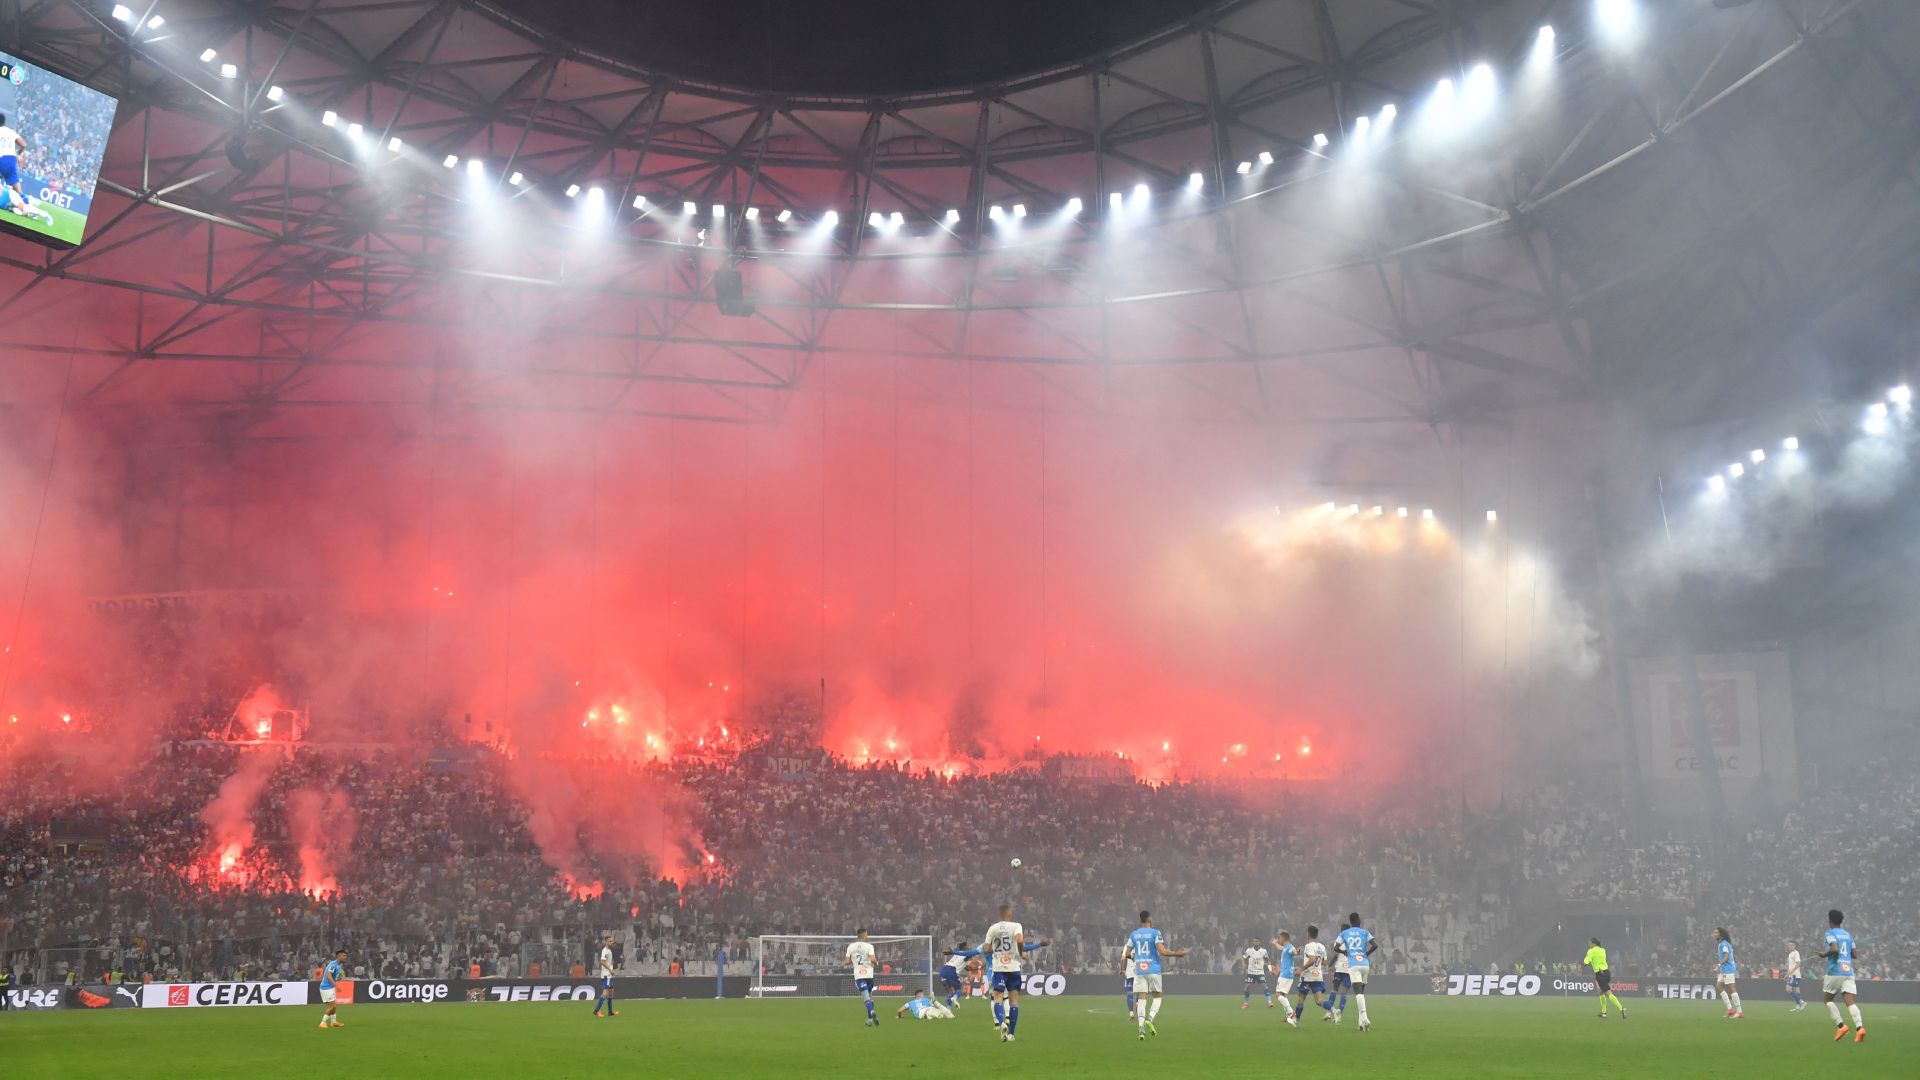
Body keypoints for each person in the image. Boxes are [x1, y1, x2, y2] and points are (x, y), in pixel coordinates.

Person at [1124, 909, 1189, 1040]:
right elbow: (1163, 952)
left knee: (1141, 999)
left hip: (1140, 970)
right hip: (1153, 969)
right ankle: (1150, 1018)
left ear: (1140, 920)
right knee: (1157, 997)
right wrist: (1178, 954)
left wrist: (1136, 958)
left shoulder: (1134, 934)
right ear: (1150, 920)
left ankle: (1141, 1029)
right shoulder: (1155, 933)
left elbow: (1127, 954)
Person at [980, 904, 1031, 1042]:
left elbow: (986, 949)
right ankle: (1011, 1034)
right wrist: (1021, 953)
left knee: (998, 998)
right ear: (1010, 913)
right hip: (1013, 968)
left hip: (999, 969)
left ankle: (1001, 1022)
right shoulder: (1016, 926)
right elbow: (1020, 940)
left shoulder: (993, 928)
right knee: (1014, 1002)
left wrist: (997, 950)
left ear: (1000, 914)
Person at [1819, 909, 1865, 1043]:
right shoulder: (1848, 935)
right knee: (1850, 1002)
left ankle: (1842, 1026)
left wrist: (1824, 955)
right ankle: (1860, 1028)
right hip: (1848, 971)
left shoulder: (1830, 933)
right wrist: (1845, 956)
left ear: (1830, 921)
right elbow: (1854, 954)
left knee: (1828, 1000)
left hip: (1835, 971)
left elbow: (1834, 949)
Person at [1334, 912, 1378, 1031]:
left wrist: (1345, 952)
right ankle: (1361, 1023)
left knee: (1358, 993)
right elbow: (1375, 945)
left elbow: (1335, 947)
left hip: (1353, 965)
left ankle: (1365, 1018)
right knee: (1361, 994)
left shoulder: (1344, 933)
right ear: (1358, 920)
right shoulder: (1365, 932)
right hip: (1364, 964)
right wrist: (1366, 954)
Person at [1583, 937, 1626, 1019]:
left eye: (1590, 943)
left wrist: (1586, 959)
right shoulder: (1603, 950)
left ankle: (1622, 1009)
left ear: (1594, 944)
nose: (1589, 944)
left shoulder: (1591, 951)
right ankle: (1604, 1013)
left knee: (1608, 993)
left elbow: (1585, 963)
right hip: (1607, 972)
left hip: (1600, 974)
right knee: (1601, 992)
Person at [846, 928, 879, 1027]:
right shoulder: (869, 946)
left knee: (866, 997)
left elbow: (846, 962)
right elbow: (873, 959)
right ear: (864, 935)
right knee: (870, 996)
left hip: (859, 975)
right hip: (869, 974)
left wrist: (854, 960)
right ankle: (869, 1020)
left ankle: (872, 1012)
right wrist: (876, 963)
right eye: (867, 934)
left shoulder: (851, 946)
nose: (867, 936)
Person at [1296, 925, 1330, 1023]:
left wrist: (1301, 969)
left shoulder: (1308, 946)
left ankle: (1296, 1021)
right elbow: (1324, 962)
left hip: (1307, 976)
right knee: (1319, 1001)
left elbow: (1312, 959)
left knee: (1301, 998)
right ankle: (1334, 1010)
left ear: (1308, 934)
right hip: (1318, 976)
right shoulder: (1322, 946)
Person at [1269, 930, 1300, 1028]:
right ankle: (1290, 1015)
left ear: (1283, 938)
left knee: (1278, 995)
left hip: (1285, 975)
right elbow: (1281, 948)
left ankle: (1291, 1012)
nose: (1278, 940)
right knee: (1283, 995)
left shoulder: (1290, 947)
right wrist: (1275, 944)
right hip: (1286, 974)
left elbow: (1294, 952)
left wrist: (1297, 952)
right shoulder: (1285, 947)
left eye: (1279, 938)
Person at [938, 942, 981, 1011]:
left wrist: (973, 969)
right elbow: (974, 952)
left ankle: (948, 1009)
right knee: (960, 988)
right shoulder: (966, 954)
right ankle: (954, 998)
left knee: (949, 992)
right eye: (967, 947)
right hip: (952, 970)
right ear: (964, 948)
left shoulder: (957, 954)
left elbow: (966, 967)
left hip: (944, 970)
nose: (969, 948)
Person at [1713, 928, 1743, 1019]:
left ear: (1720, 934)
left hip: (1728, 969)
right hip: (1724, 970)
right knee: (1719, 986)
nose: (1714, 934)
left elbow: (1726, 956)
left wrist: (1719, 964)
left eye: (1716, 932)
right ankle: (1730, 1009)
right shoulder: (1722, 944)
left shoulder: (1724, 944)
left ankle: (1739, 1012)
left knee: (1732, 989)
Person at [1238, 935, 1271, 1009]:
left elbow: (1268, 961)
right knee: (1247, 987)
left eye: (1256, 941)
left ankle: (1269, 1002)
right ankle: (1246, 1003)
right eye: (1253, 941)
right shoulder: (1249, 950)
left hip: (1260, 972)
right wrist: (1243, 964)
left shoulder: (1264, 951)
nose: (1254, 942)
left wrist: (1270, 969)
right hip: (1250, 972)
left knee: (1265, 986)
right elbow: (1243, 958)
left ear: (1260, 942)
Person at [1327, 921, 1351, 1022]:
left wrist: (1330, 965)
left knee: (1334, 989)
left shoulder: (1339, 939)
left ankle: (1329, 1012)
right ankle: (1339, 1013)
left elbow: (1336, 954)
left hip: (1340, 968)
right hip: (1349, 969)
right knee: (1344, 992)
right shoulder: (1352, 941)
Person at [318, 948, 347, 1029]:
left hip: (330, 987)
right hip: (326, 987)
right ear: (339, 956)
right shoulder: (333, 964)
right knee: (332, 1006)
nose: (345, 957)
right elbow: (328, 975)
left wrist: (338, 978)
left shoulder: (339, 965)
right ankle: (322, 1023)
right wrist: (336, 985)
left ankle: (334, 1022)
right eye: (344, 956)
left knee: (334, 1006)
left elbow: (334, 976)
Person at [592, 934, 618, 1017]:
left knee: (611, 993)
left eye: (612, 941)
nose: (612, 942)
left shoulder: (609, 950)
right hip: (606, 975)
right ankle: (596, 1011)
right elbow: (602, 962)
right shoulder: (605, 951)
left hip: (609, 975)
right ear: (606, 942)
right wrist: (610, 970)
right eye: (610, 941)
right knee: (605, 993)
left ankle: (610, 1012)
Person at [1784, 940, 1804, 1012]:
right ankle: (1798, 1005)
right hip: (1792, 974)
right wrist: (1787, 974)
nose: (1790, 946)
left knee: (1788, 989)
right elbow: (1790, 965)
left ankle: (1800, 1001)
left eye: (1792, 945)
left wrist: (1790, 973)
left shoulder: (1796, 953)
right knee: (1796, 990)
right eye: (1789, 945)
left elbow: (1798, 964)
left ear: (1795, 946)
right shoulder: (1790, 954)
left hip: (1795, 974)